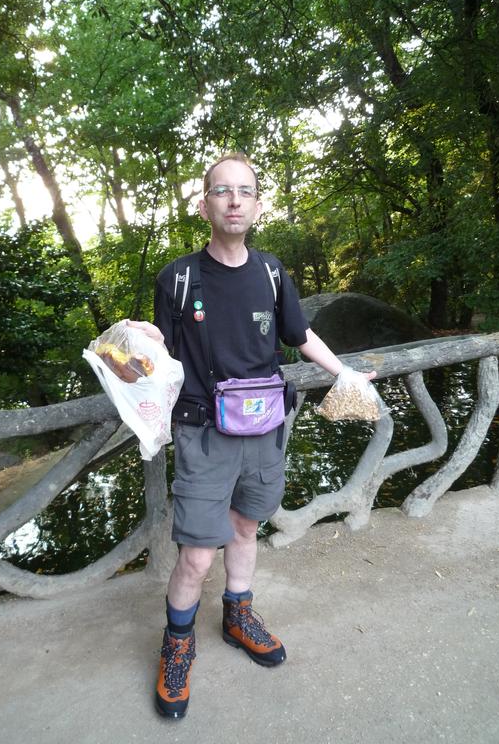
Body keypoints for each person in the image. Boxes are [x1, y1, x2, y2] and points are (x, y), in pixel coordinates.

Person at [129, 152, 375, 720]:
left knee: (245, 527)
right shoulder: (177, 278)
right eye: (222, 191)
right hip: (203, 431)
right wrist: (143, 342)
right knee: (196, 555)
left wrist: (346, 373)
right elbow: (163, 355)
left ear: (259, 205)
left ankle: (238, 616)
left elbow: (300, 335)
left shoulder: (271, 273)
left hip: (265, 426)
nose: (234, 200)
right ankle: (178, 645)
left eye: (244, 191)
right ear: (204, 206)